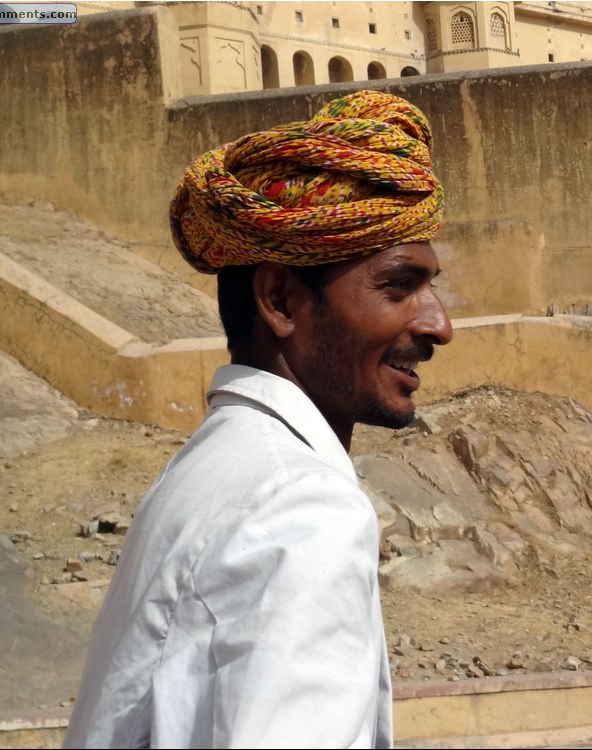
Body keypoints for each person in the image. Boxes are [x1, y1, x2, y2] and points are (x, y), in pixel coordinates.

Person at [63, 90, 453, 749]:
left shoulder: (214, 467)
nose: (439, 324)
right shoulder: (302, 509)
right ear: (279, 299)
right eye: (398, 285)